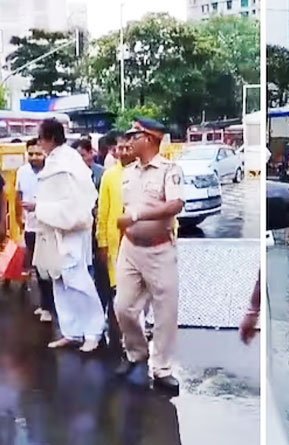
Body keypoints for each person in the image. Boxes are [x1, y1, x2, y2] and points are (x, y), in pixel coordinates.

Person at [114, 118, 184, 394]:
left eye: (135, 135)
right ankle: (136, 352)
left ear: (150, 139)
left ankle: (162, 368)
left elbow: (176, 204)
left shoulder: (170, 170)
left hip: (159, 249)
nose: (129, 141)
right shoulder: (128, 172)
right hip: (130, 248)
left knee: (165, 311)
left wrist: (137, 215)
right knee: (123, 306)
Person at [33, 118, 104, 352]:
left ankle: (93, 332)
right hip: (54, 233)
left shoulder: (67, 164)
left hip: (70, 233)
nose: (39, 142)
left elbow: (75, 204)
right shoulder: (56, 161)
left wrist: (39, 209)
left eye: (41, 137)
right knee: (60, 282)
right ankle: (72, 331)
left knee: (78, 281)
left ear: (51, 138)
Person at [96, 134, 136, 349]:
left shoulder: (145, 174)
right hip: (115, 243)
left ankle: (136, 334)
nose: (122, 153)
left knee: (137, 292)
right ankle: (122, 337)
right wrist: (101, 241)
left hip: (140, 243)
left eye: (127, 148)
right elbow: (103, 212)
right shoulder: (110, 176)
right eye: (119, 148)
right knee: (117, 291)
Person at [17, 138, 54, 323]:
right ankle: (45, 304)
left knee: (50, 267)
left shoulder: (52, 173)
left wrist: (37, 206)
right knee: (38, 267)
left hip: (48, 226)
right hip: (31, 226)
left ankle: (51, 306)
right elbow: (18, 194)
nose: (34, 157)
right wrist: (19, 217)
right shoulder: (22, 172)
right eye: (30, 154)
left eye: (38, 154)